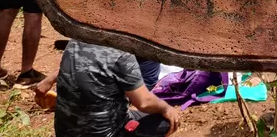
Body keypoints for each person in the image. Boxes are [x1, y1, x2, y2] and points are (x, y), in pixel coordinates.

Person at [36, 40, 181, 137]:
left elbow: (82, 64)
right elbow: (144, 103)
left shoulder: (77, 40)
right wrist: (167, 109)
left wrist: (48, 80)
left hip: (64, 132)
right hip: (106, 133)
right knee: (165, 122)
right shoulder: (121, 54)